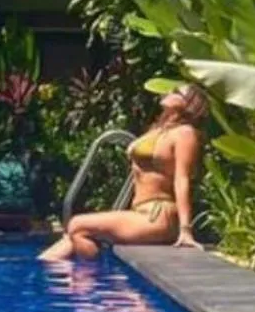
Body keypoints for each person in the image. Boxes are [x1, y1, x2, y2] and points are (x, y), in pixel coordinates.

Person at [38, 84, 207, 261]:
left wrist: (185, 229)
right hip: (140, 212)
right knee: (64, 244)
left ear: (188, 104)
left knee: (77, 225)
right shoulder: (159, 129)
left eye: (176, 92)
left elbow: (182, 178)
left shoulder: (185, 134)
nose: (169, 92)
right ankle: (48, 275)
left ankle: (89, 277)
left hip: (158, 215)